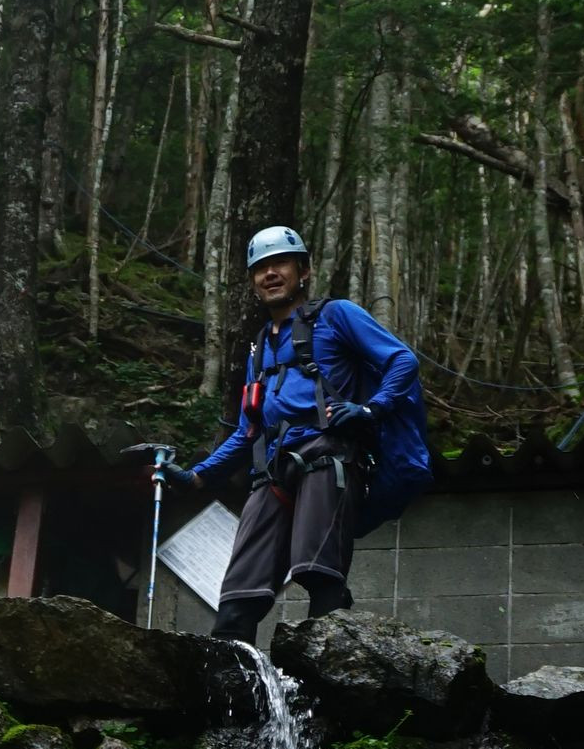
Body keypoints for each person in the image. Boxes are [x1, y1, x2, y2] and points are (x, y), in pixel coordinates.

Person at [182, 225, 432, 643]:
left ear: (304, 271)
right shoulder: (259, 348)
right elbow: (248, 431)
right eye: (260, 268)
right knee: (238, 598)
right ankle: (232, 678)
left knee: (318, 573)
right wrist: (196, 476)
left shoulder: (337, 316)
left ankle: (324, 667)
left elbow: (402, 360)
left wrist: (371, 408)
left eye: (280, 263)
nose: (270, 273)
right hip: (271, 470)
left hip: (328, 454)